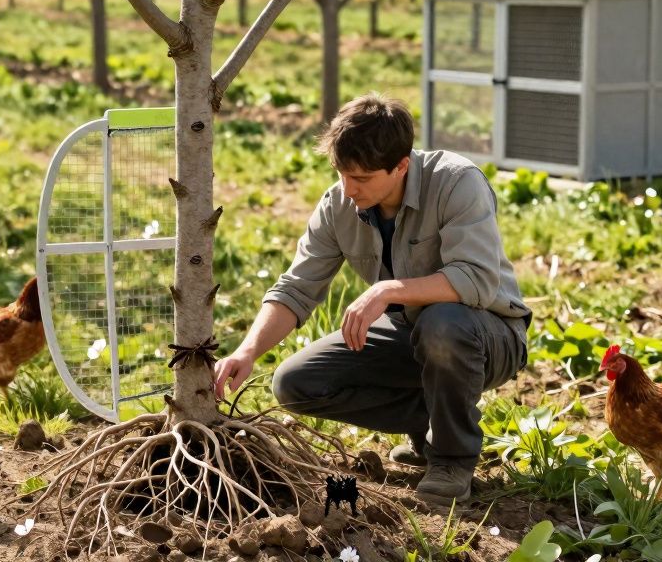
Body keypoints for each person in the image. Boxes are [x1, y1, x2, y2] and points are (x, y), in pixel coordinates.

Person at [212, 94, 531, 506]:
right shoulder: (339, 204)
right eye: (341, 173)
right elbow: (297, 287)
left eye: (360, 178)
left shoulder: (456, 182)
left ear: (401, 166)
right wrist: (248, 350)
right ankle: (435, 417)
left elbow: (476, 279)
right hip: (412, 333)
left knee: (443, 324)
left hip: (488, 333)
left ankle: (452, 459)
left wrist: (388, 289)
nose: (347, 188)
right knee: (295, 384)